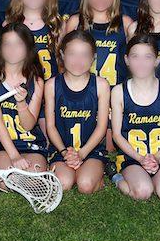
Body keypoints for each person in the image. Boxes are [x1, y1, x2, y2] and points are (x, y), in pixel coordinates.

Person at [111, 33, 160, 203]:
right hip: (132, 157)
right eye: (135, 57)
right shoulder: (118, 92)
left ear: (157, 60)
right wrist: (140, 159)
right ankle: (114, 175)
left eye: (148, 57)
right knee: (143, 192)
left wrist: (157, 158)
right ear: (127, 59)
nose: (141, 63)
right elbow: (117, 135)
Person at [0, 24, 50, 183]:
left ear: (28, 48)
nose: (12, 49)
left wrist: (21, 102)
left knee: (35, 179)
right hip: (1, 144)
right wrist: (14, 156)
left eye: (18, 44)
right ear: (0, 48)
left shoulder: (36, 81)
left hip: (29, 140)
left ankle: (27, 178)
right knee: (3, 180)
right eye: (7, 44)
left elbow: (29, 125)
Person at [44, 30, 111, 194]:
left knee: (85, 185)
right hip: (62, 149)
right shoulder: (52, 85)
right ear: (62, 54)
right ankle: (66, 167)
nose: (78, 60)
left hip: (90, 149)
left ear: (93, 58)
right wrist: (65, 152)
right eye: (72, 54)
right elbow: (51, 127)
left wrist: (82, 153)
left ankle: (96, 174)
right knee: (63, 184)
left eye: (84, 55)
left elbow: (102, 127)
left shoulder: (101, 85)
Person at [66, 0, 132, 86]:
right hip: (84, 93)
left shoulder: (126, 23)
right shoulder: (75, 22)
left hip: (116, 95)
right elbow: (64, 62)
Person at [4, 0, 63, 81]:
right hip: (22, 90)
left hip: (50, 92)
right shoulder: (9, 24)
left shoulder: (57, 24)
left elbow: (62, 64)